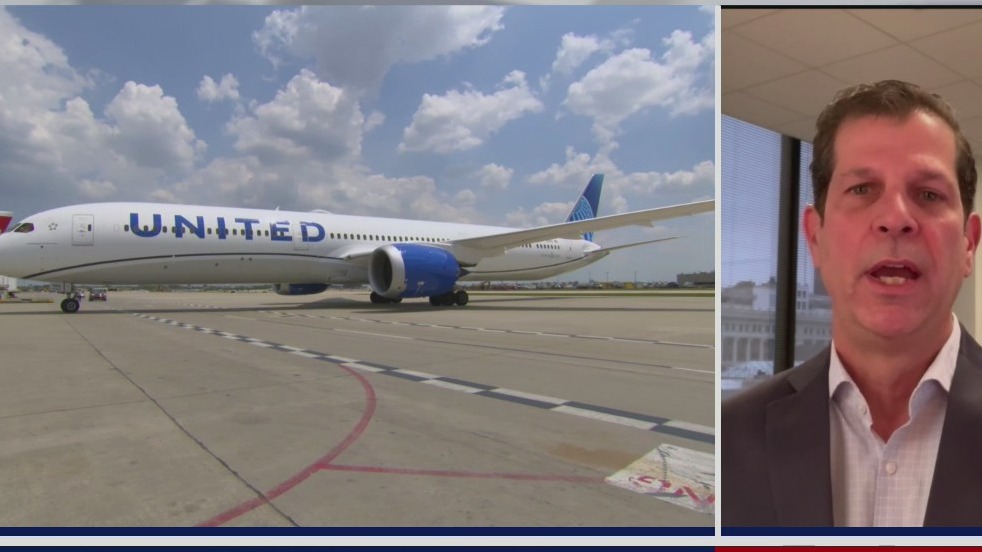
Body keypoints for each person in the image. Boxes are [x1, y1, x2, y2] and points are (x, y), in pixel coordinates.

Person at [722, 80, 982, 527]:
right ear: (815, 237)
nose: (895, 219)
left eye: (929, 194)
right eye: (862, 189)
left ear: (969, 244)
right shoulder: (733, 434)